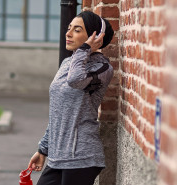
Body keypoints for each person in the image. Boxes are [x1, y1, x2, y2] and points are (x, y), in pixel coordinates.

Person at [27, 11, 114, 185]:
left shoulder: (102, 68)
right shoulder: (67, 63)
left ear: (94, 37)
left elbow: (76, 80)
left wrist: (85, 49)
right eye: (69, 28)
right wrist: (43, 149)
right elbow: (57, 112)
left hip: (81, 157)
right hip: (58, 156)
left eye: (77, 30)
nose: (68, 34)